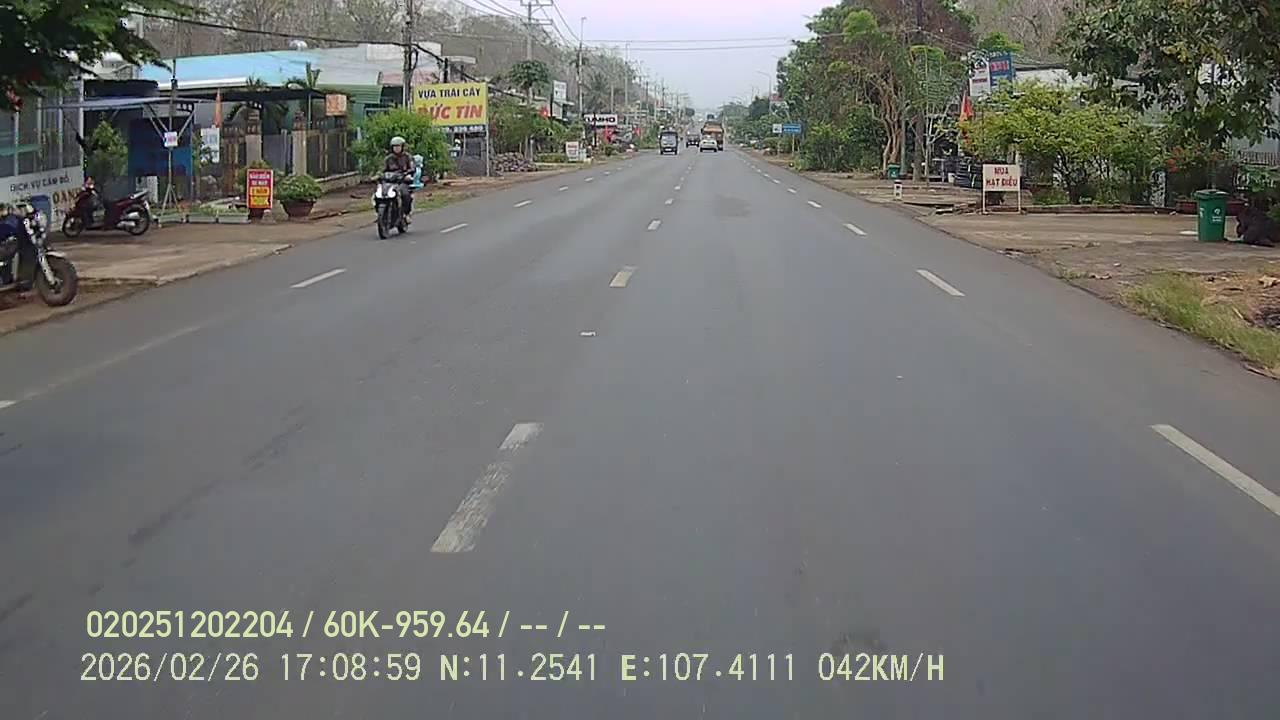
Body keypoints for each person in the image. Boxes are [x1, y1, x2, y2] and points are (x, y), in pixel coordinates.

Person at [383, 136, 415, 223]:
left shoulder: (407, 157)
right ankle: (382, 213)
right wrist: (377, 175)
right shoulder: (388, 158)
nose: (396, 148)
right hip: (389, 182)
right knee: (379, 194)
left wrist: (407, 174)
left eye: (398, 146)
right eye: (394, 146)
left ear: (402, 147)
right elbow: (382, 170)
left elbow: (412, 168)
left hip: (402, 181)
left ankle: (406, 214)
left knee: (405, 194)